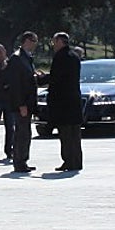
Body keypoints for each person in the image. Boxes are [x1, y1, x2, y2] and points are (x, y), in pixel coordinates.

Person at [46, 31, 83, 172]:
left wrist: (41, 79)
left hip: (63, 102)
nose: (53, 45)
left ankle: (68, 161)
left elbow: (56, 77)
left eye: (55, 42)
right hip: (74, 100)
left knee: (66, 134)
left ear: (61, 42)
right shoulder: (74, 56)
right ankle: (76, 161)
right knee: (75, 134)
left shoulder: (61, 57)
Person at [4, 31, 38, 173]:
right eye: (33, 41)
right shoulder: (17, 59)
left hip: (28, 102)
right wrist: (21, 104)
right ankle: (19, 162)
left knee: (26, 133)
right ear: (26, 41)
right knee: (21, 133)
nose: (35, 44)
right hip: (21, 104)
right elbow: (15, 84)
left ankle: (23, 160)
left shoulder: (27, 58)